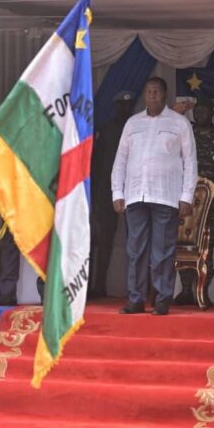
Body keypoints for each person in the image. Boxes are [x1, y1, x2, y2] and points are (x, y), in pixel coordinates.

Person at [111, 77, 197, 316]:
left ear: (164, 95)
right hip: (135, 195)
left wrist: (187, 196)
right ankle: (136, 299)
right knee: (135, 251)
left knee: (162, 251)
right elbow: (121, 160)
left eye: (156, 91)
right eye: (148, 91)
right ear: (144, 96)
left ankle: (161, 299)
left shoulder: (179, 123)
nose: (152, 95)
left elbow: (190, 162)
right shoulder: (132, 123)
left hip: (165, 196)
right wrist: (117, 192)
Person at [176, 95, 214, 305]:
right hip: (186, 202)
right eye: (197, 110)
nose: (200, 113)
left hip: (213, 204)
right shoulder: (186, 134)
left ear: (212, 113)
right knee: (184, 244)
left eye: (204, 110)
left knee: (207, 246)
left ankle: (203, 291)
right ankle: (185, 290)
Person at [89, 90, 135, 298]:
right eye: (121, 105)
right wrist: (96, 194)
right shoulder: (107, 130)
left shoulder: (138, 128)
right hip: (106, 192)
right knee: (103, 240)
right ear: (115, 107)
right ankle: (99, 285)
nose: (125, 109)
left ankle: (138, 288)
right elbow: (97, 165)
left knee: (137, 240)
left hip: (134, 190)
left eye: (128, 105)